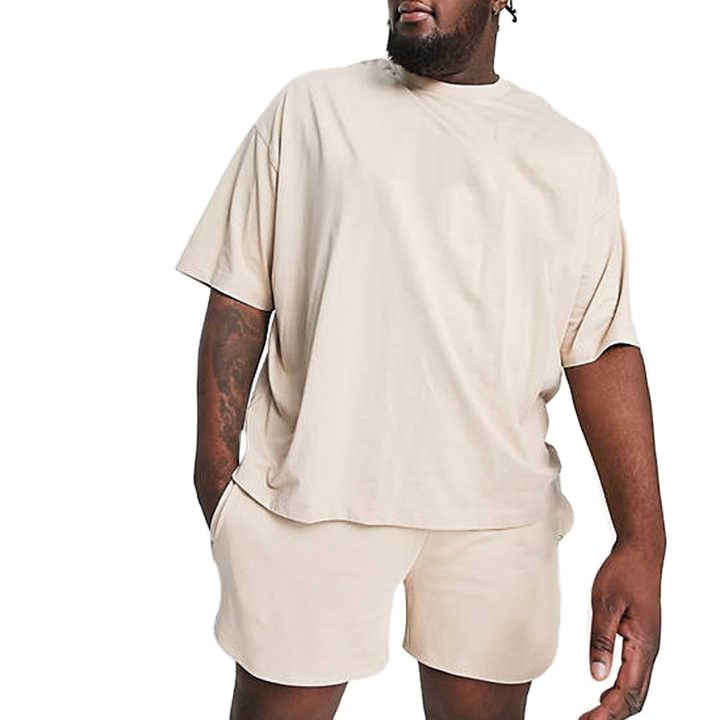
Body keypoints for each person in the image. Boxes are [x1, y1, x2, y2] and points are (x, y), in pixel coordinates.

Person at [174, 2, 665, 718]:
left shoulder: (567, 156)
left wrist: (643, 541)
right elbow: (239, 296)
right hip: (311, 498)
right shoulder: (313, 109)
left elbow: (600, 347)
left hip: (497, 513)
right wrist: (216, 477)